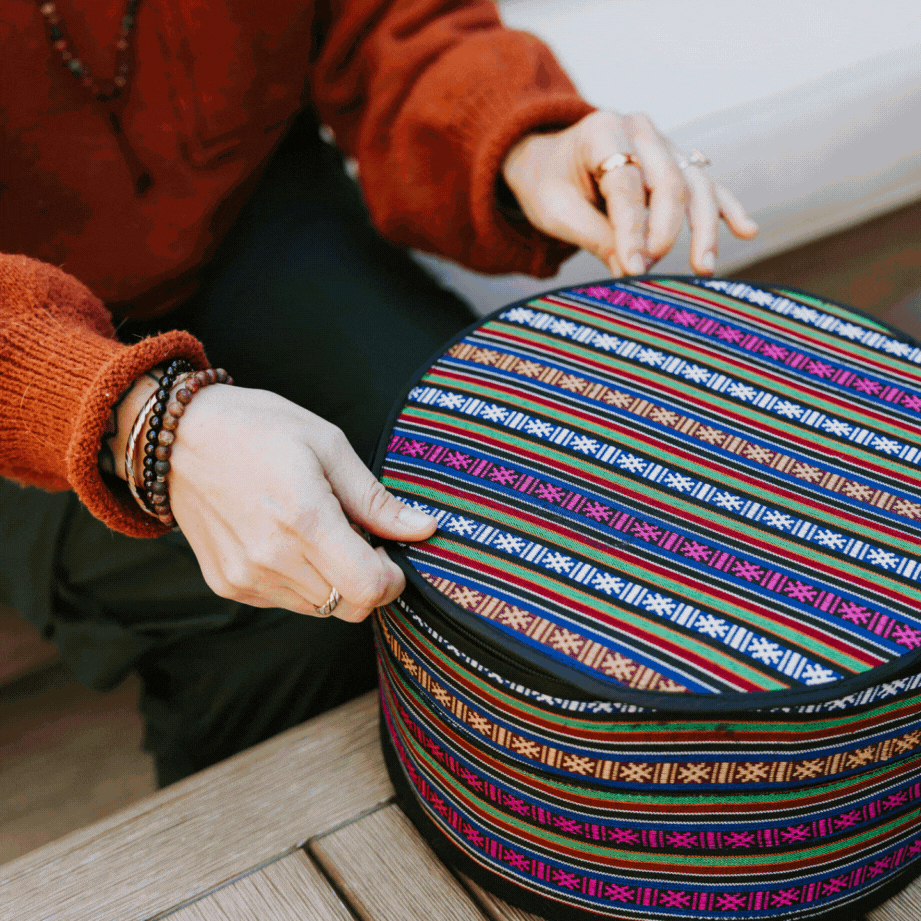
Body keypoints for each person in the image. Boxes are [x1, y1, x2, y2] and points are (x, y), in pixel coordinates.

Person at [0, 0, 757, 785]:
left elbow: (393, 23)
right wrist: (139, 423)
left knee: (473, 468)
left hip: (250, 206)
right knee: (276, 600)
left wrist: (518, 135)